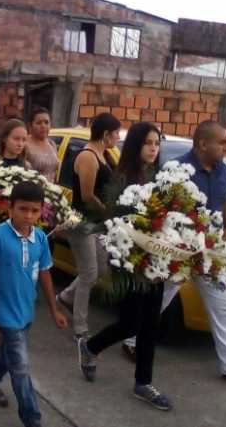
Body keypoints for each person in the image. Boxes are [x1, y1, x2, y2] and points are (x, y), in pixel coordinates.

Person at [125, 121, 226, 385]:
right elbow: (157, 209)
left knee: (224, 304)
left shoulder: (222, 169)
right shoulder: (175, 171)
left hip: (212, 250)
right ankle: (132, 340)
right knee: (163, 296)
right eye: (222, 142)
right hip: (180, 250)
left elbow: (224, 197)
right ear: (202, 144)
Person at [77, 122, 173, 411]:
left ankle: (143, 382)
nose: (153, 148)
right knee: (131, 323)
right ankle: (91, 347)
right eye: (147, 143)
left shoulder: (161, 176)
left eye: (157, 143)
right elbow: (115, 221)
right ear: (135, 145)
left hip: (157, 260)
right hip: (131, 261)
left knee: (149, 325)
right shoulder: (123, 179)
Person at [0, 181, 68, 427]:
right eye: (23, 209)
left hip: (26, 310)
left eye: (35, 211)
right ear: (10, 208)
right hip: (4, 312)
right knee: (20, 368)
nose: (28, 216)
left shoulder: (39, 238)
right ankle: (32, 418)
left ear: (41, 212)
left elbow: (46, 273)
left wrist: (54, 309)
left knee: (8, 356)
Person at [57, 112, 120, 339]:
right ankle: (80, 327)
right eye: (115, 134)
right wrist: (107, 209)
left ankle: (65, 296)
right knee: (89, 274)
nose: (116, 139)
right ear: (105, 134)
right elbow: (86, 195)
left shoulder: (103, 156)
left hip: (96, 223)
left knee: (102, 266)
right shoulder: (88, 157)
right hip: (81, 221)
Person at [25, 107, 59, 182]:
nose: (43, 126)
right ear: (30, 126)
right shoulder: (25, 144)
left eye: (46, 122)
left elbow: (55, 173)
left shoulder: (52, 144)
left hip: (51, 190)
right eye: (39, 123)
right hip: (33, 191)